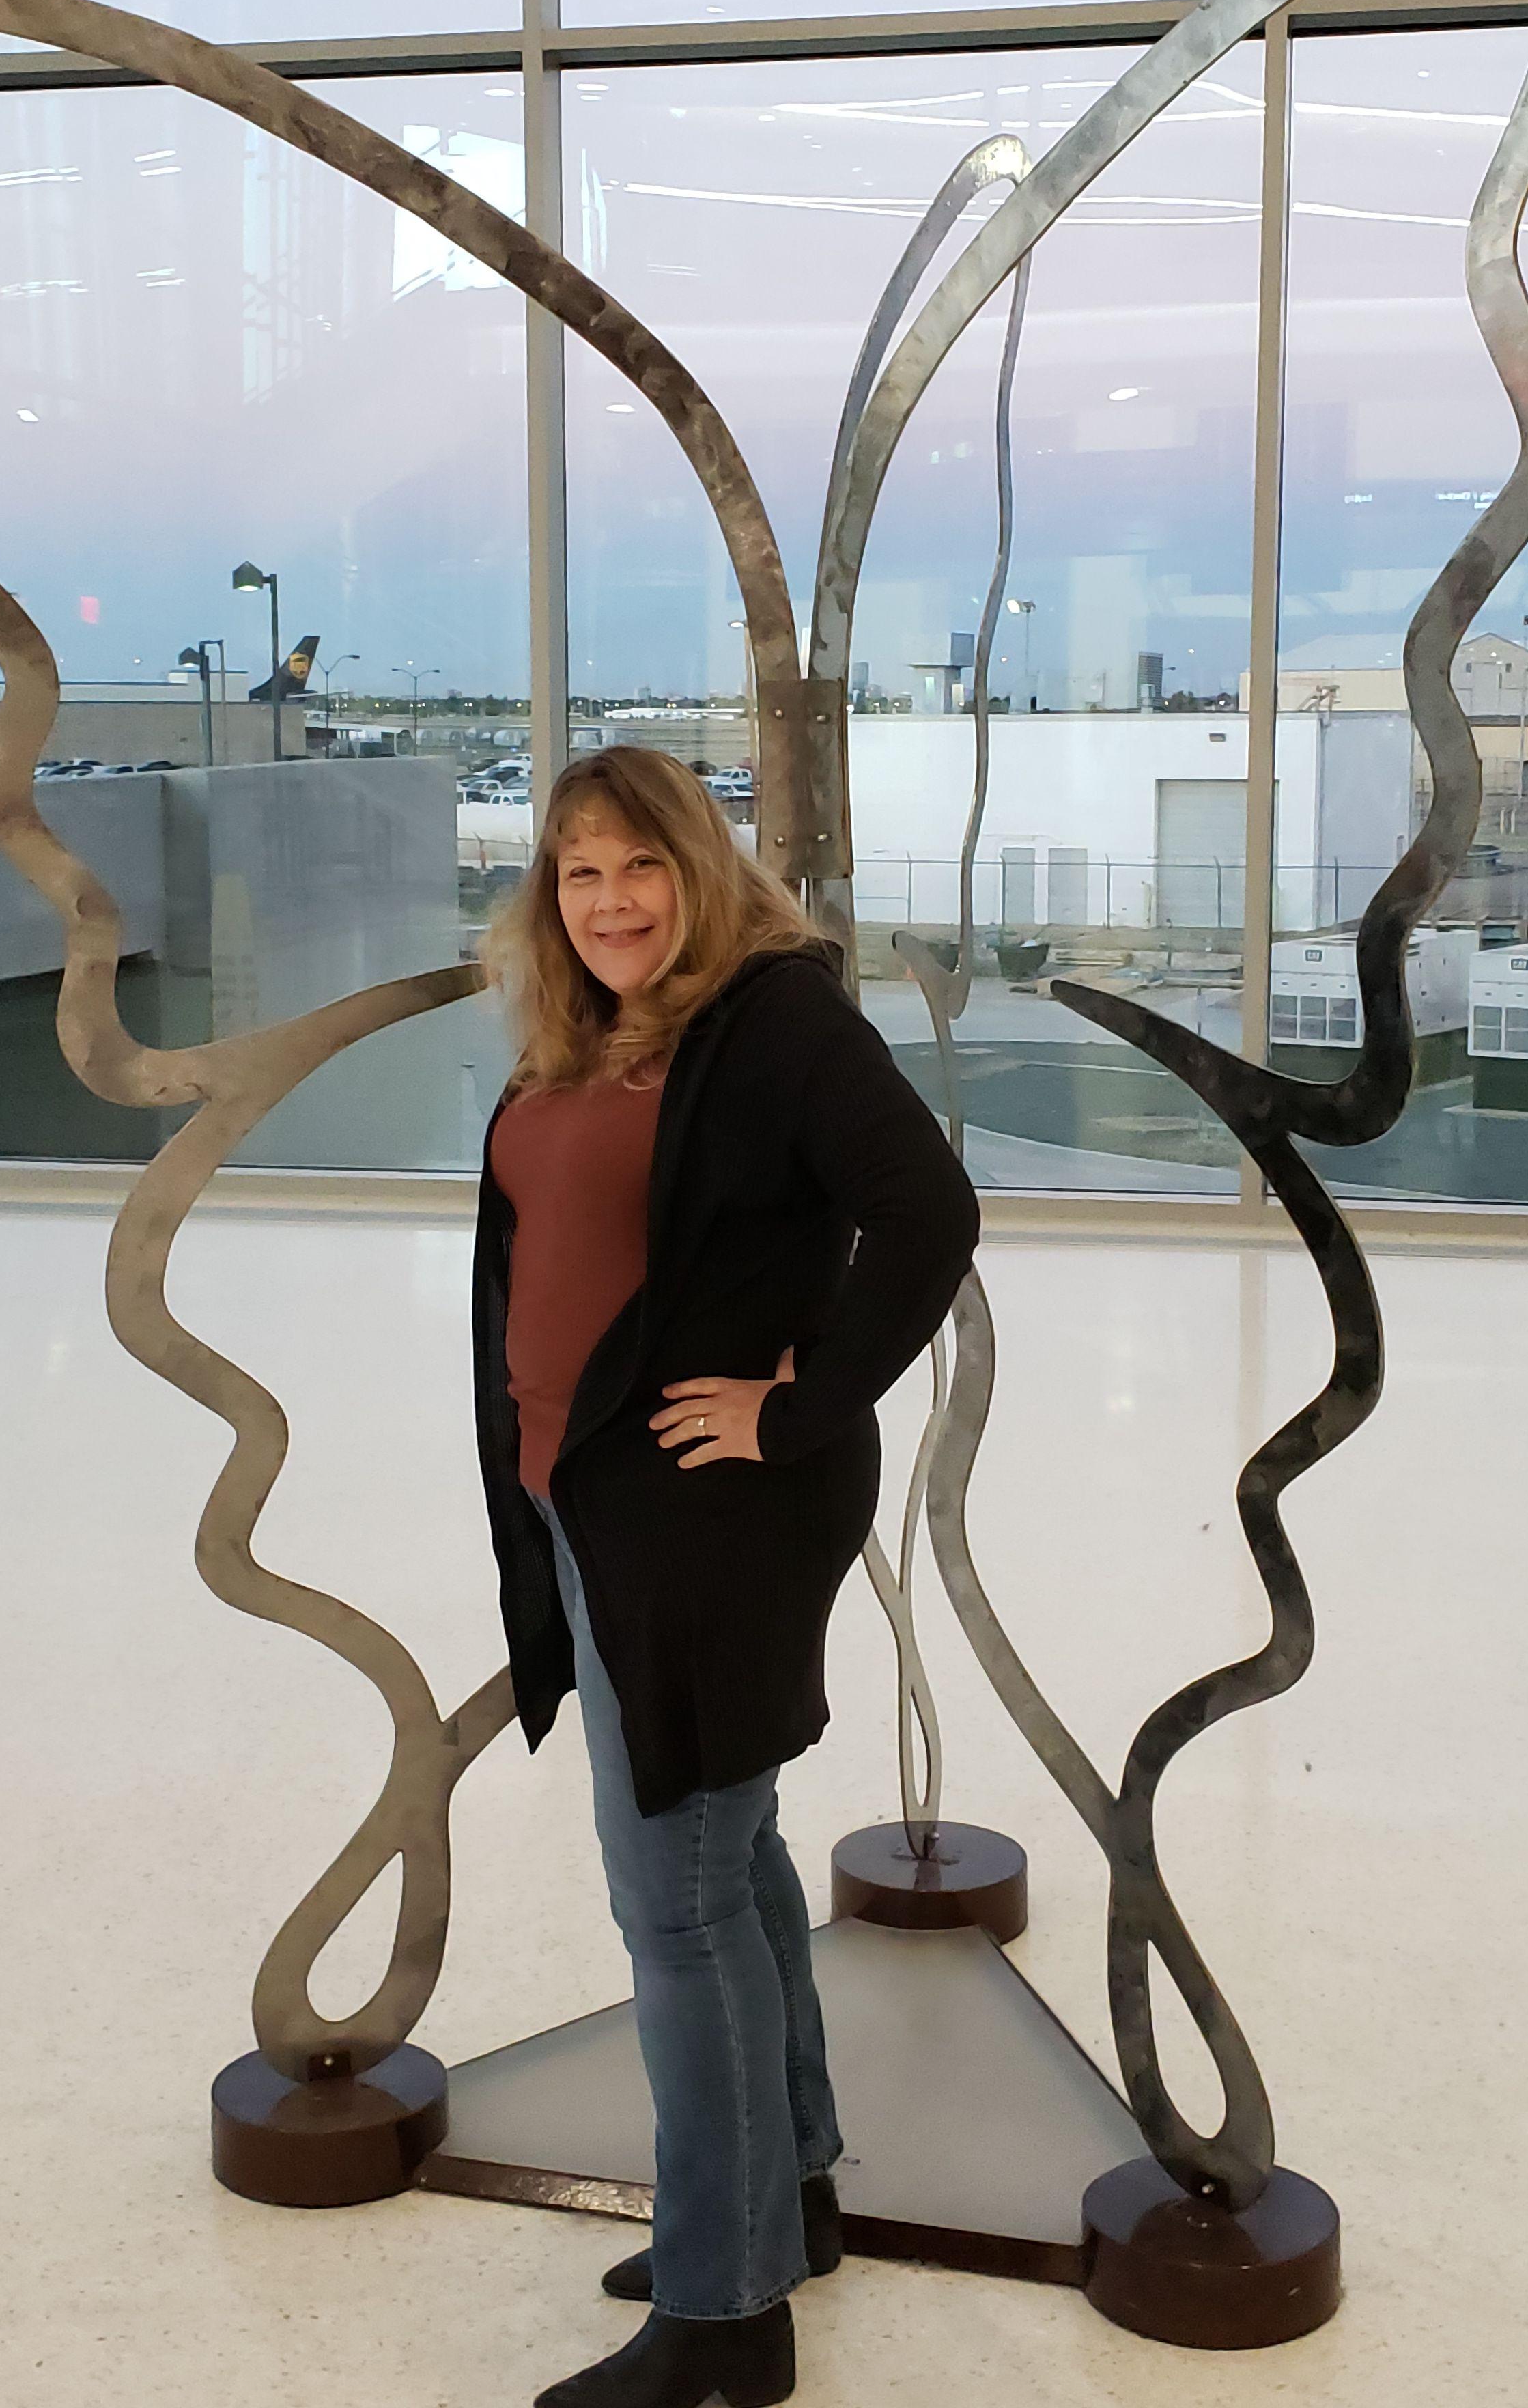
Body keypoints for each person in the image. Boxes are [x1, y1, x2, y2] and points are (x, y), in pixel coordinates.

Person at [472, 746, 980, 2408]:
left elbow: (926, 1209)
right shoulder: (590, 1030)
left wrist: (801, 1402)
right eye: (577, 874)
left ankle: (723, 2312)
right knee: (735, 1858)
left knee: (673, 1900)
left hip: (707, 1515)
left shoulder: (774, 1019)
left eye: (640, 867)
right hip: (587, 1498)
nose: (609, 902)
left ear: (701, 869)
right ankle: (794, 2192)